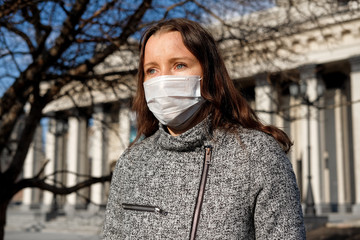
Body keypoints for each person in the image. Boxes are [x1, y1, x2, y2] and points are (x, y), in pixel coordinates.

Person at [103, 18, 306, 239]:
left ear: (208, 74)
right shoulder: (131, 163)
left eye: (179, 65)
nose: (162, 81)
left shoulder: (257, 156)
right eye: (152, 70)